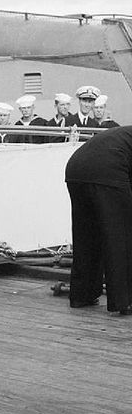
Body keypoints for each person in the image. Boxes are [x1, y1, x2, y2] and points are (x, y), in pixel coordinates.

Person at [65, 126, 132, 315]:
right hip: (108, 169)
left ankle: (82, 294)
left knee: (86, 234)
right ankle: (124, 300)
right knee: (121, 236)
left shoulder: (123, 134)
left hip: (76, 168)